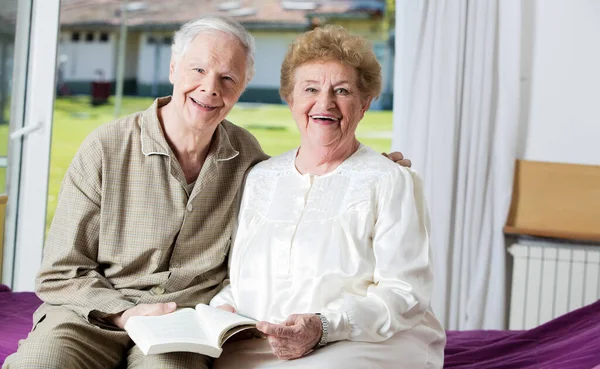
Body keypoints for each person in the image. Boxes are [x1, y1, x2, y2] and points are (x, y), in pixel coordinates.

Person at [3, 16, 409, 369]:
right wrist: (127, 314)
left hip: (183, 326)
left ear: (244, 85)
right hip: (91, 317)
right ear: (174, 68)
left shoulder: (250, 160)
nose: (210, 88)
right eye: (197, 70)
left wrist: (369, 167)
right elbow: (59, 272)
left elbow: (304, 180)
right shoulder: (106, 147)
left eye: (227, 78)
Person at [209, 25, 446, 369]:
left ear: (364, 104)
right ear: (290, 99)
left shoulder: (391, 180)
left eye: (342, 90)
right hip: (260, 342)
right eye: (310, 89)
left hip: (363, 341)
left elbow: (405, 293)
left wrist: (322, 326)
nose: (325, 103)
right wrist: (222, 309)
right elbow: (241, 278)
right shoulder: (260, 178)